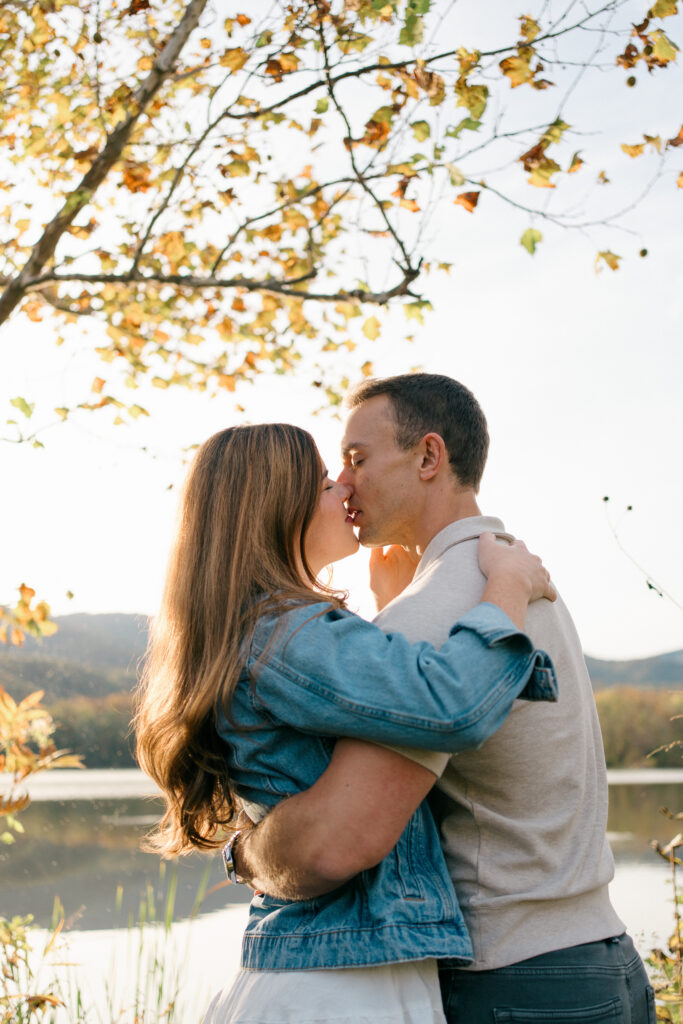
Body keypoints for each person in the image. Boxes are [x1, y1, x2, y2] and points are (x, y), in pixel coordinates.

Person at [233, 376, 655, 1024]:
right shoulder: (503, 570)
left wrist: (248, 852)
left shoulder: (437, 608)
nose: (344, 485)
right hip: (601, 957)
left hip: (515, 979)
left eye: (357, 459)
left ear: (428, 458)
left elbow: (343, 837)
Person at [134, 421, 557, 1024]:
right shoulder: (288, 632)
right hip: (338, 983)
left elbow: (337, 739)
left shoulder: (255, 631)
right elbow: (454, 705)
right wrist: (507, 590)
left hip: (326, 964)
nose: (345, 491)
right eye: (326, 481)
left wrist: (391, 618)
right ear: (279, 508)